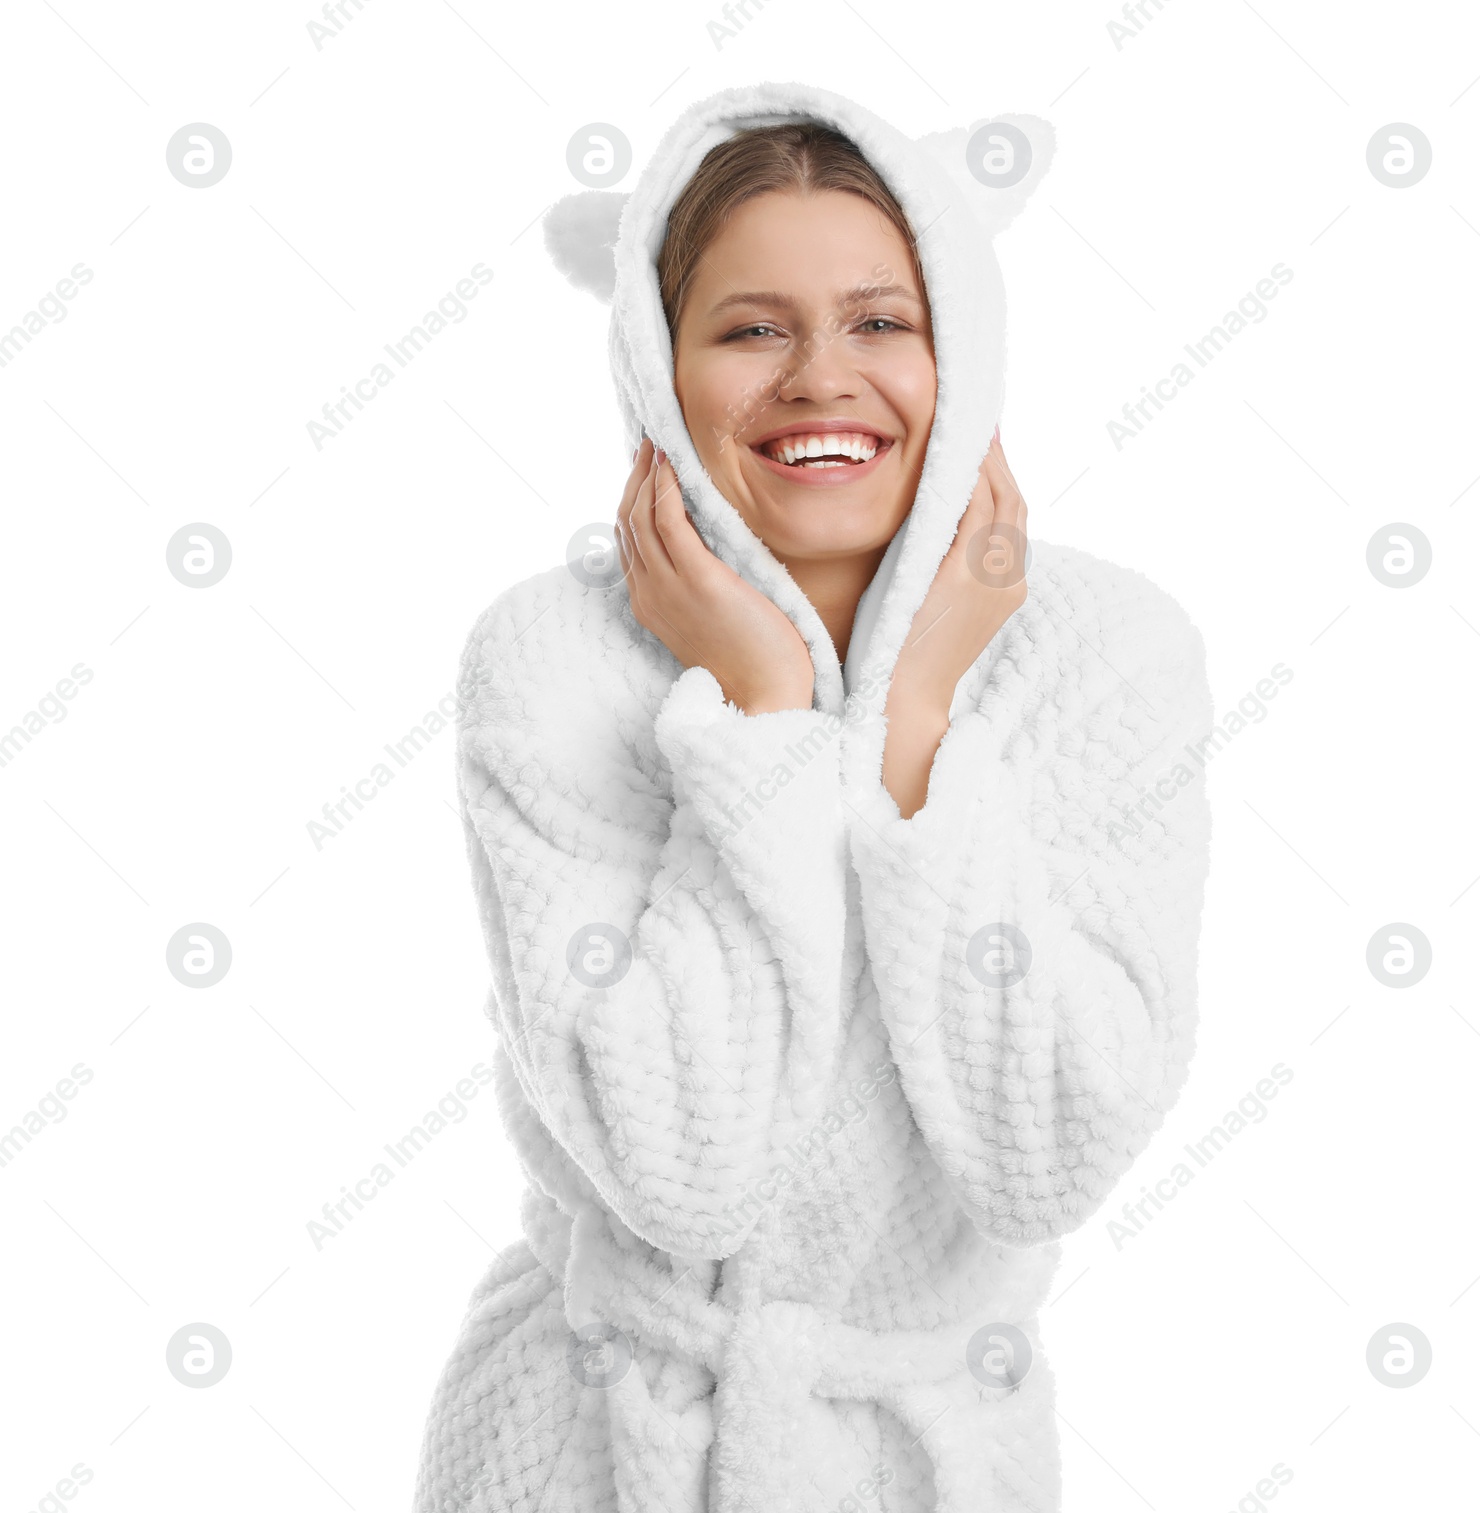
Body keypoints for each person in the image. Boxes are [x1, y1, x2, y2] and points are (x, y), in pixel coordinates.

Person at [412, 82, 1214, 1513]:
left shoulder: (1107, 655)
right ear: (659, 368)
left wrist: (910, 735)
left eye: (881, 321)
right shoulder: (549, 660)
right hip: (587, 1454)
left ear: (959, 345)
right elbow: (681, 1173)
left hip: (926, 1462)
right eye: (751, 327)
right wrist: (767, 718)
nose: (821, 377)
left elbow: (1045, 1152)